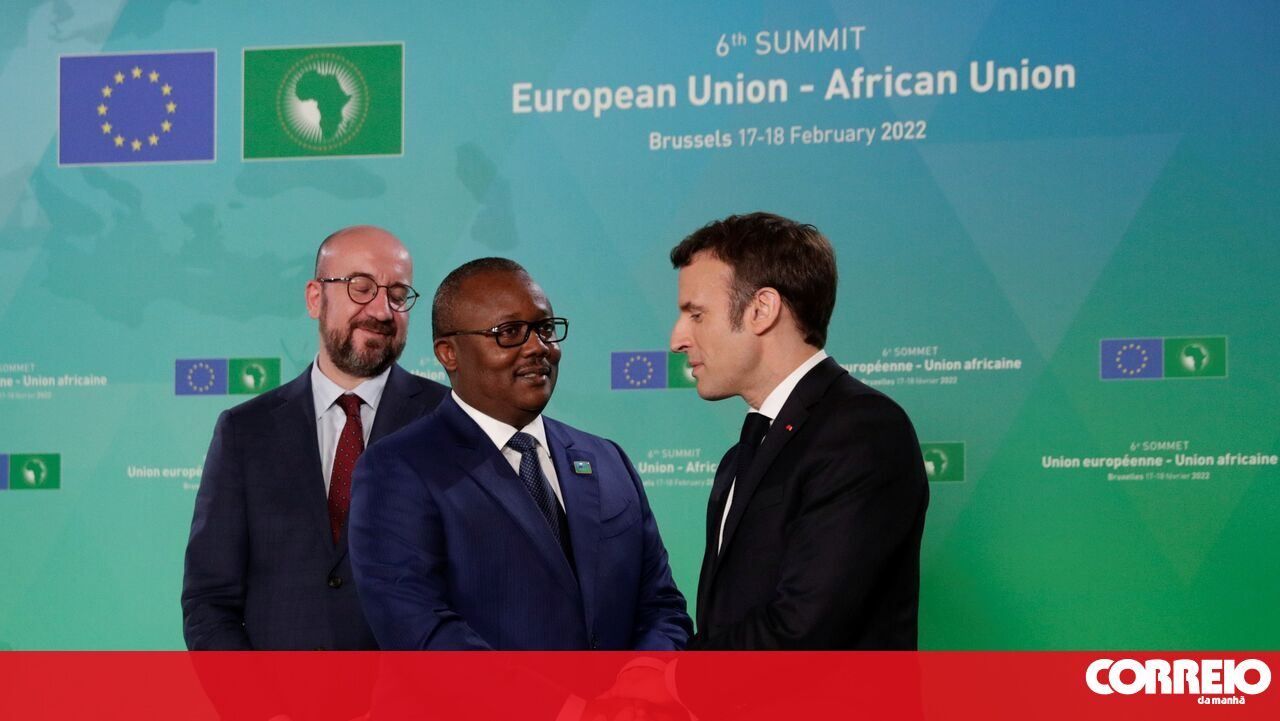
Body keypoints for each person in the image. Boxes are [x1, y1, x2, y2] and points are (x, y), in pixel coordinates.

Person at [349, 257, 691, 650]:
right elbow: (421, 632)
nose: (537, 348)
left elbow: (662, 607)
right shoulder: (398, 469)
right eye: (509, 332)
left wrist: (645, 676)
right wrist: (567, 694)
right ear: (448, 353)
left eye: (545, 329)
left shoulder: (608, 460)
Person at [668, 212, 929, 650]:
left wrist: (671, 677)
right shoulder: (742, 455)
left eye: (696, 314)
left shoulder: (864, 432)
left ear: (761, 310)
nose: (677, 339)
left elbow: (803, 629)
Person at [181, 225, 448, 650]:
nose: (382, 311)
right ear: (314, 298)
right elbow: (210, 602)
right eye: (362, 288)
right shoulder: (244, 432)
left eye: (398, 295)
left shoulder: (451, 422)